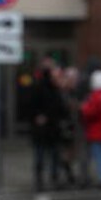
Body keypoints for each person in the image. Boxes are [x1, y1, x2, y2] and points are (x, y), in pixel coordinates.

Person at [30, 59, 68, 191]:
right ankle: (44, 179)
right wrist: (37, 116)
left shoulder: (54, 89)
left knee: (51, 156)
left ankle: (52, 178)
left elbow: (61, 109)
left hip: (51, 128)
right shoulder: (42, 89)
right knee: (43, 156)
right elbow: (31, 107)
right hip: (44, 129)